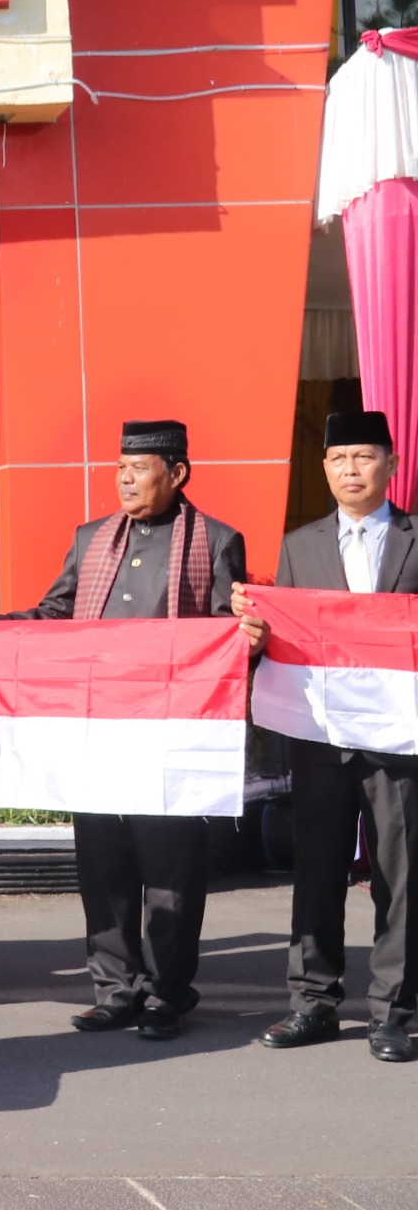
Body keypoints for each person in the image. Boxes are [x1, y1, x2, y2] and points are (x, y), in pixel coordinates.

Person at [0, 418, 246, 1041]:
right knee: (103, 866)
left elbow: (226, 635)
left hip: (168, 735)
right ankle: (115, 989)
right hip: (95, 733)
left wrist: (251, 641)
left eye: (139, 467)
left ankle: (166, 995)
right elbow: (53, 616)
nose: (125, 479)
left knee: (170, 871)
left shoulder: (216, 541)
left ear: (177, 473)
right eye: (119, 467)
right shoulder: (91, 540)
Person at [235, 409, 418, 1063]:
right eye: (338, 460)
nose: (350, 470)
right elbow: (285, 640)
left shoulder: (415, 538)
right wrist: (254, 634)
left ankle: (395, 1011)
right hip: (322, 737)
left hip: (400, 741)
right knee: (315, 869)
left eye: (364, 458)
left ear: (391, 466)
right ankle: (312, 1001)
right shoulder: (299, 545)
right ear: (325, 470)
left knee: (401, 875)